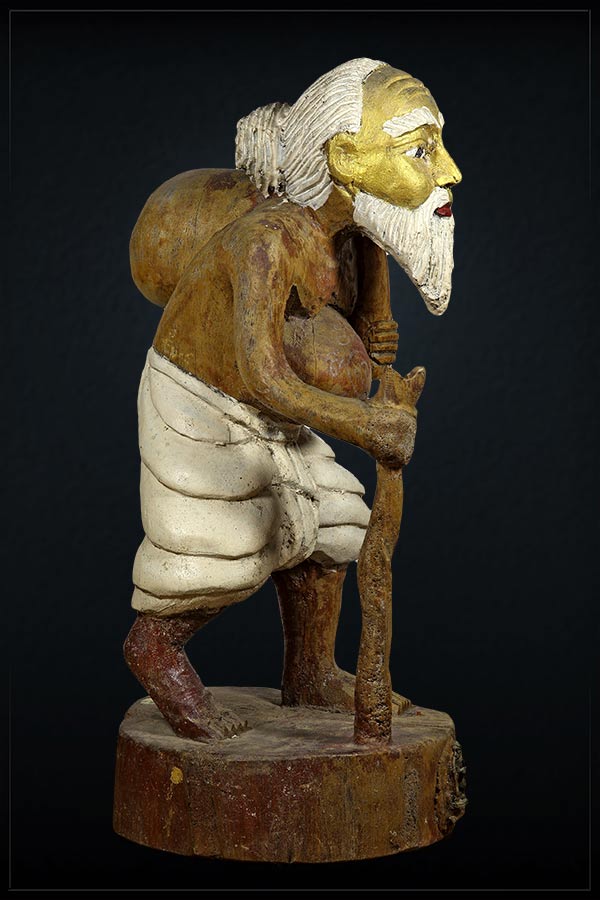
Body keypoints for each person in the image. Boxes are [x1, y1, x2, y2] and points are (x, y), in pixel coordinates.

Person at [123, 58, 462, 741]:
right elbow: (262, 374)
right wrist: (364, 423)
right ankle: (155, 648)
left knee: (330, 523)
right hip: (204, 401)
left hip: (279, 408)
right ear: (344, 159)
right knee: (225, 543)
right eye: (421, 150)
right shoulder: (264, 241)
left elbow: (363, 335)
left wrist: (374, 329)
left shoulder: (354, 234)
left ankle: (309, 670)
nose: (449, 171)